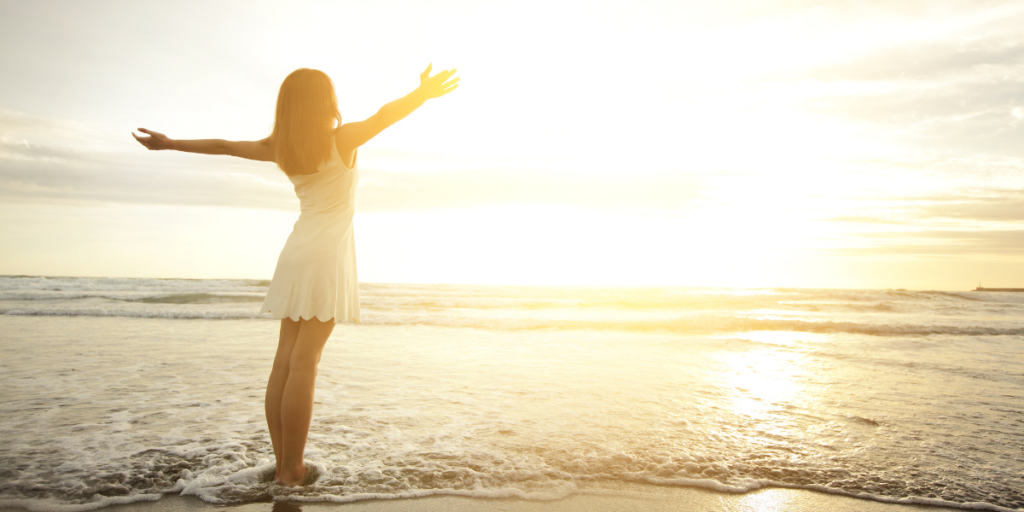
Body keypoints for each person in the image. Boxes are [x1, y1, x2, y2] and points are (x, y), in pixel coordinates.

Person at [132, 65, 459, 486]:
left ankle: (284, 462)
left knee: (285, 362)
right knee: (305, 364)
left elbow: (225, 145)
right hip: (326, 258)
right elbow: (384, 116)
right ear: (328, 102)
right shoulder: (342, 139)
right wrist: (422, 94)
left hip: (296, 251)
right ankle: (292, 470)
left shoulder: (280, 146)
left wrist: (171, 144)